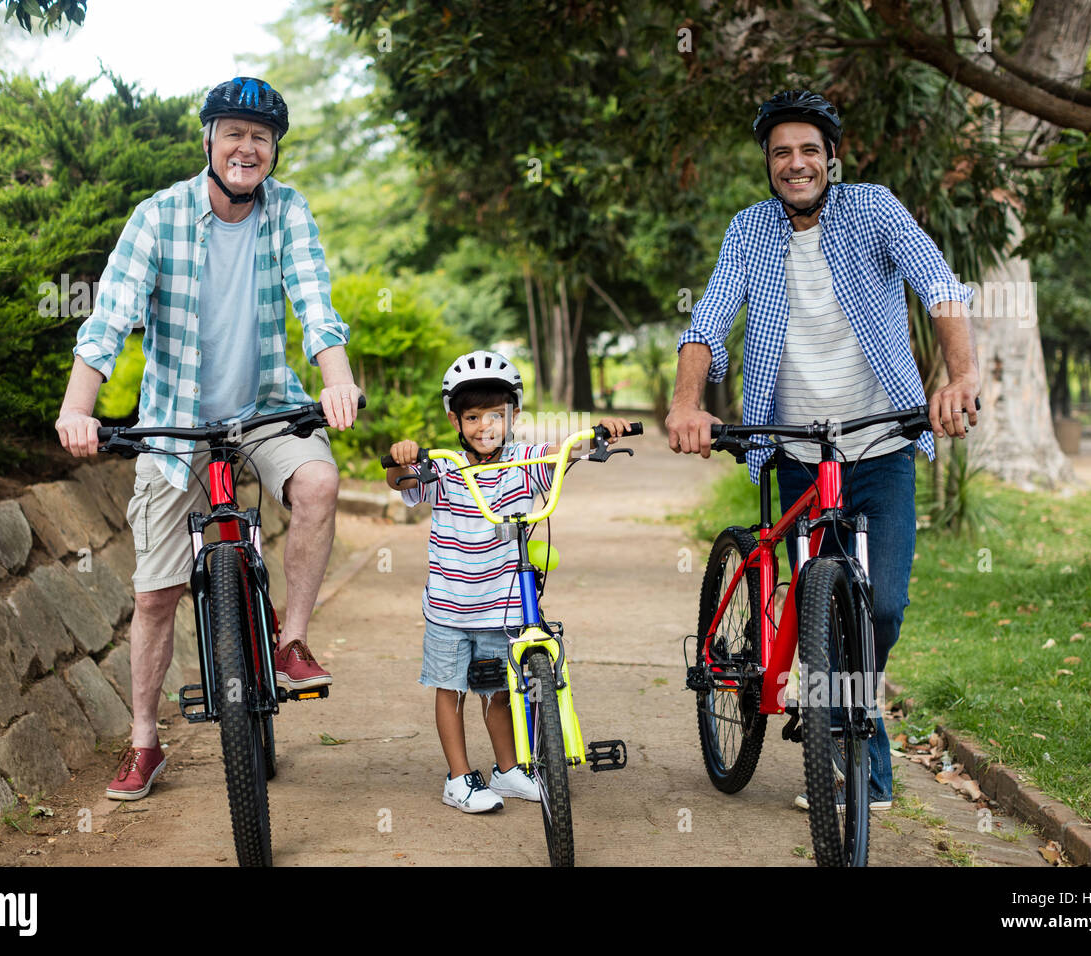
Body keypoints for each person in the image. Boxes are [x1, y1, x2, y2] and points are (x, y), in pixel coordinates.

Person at [666, 89, 979, 811]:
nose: (796, 163)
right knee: (818, 606)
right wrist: (687, 403)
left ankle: (841, 713)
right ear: (769, 165)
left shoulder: (872, 209)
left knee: (885, 607)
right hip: (798, 453)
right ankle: (855, 766)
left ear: (831, 158)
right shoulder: (749, 231)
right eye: (781, 152)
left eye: (809, 149)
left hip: (881, 445)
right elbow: (709, 318)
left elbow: (938, 283)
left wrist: (959, 378)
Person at [55, 76, 362, 801]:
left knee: (318, 482)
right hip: (179, 420)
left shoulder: (288, 212)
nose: (246, 147)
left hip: (266, 408)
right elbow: (109, 323)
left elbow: (316, 304)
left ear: (274, 150)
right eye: (233, 133)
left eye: (261, 137)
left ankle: (290, 642)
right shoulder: (158, 218)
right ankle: (144, 744)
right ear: (208, 141)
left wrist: (337, 378)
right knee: (156, 595)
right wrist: (77, 408)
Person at [386, 350, 630, 812]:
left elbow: (560, 453)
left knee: (499, 692)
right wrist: (401, 460)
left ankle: (508, 769)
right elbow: (401, 482)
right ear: (456, 422)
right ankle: (458, 778)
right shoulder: (442, 466)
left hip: (503, 606)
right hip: (451, 607)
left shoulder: (522, 461)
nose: (484, 426)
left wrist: (596, 434)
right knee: (452, 690)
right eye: (472, 416)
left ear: (513, 415)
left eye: (495, 415)